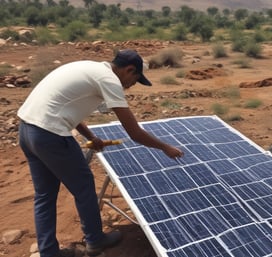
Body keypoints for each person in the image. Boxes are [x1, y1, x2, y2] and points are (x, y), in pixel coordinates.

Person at [17, 49, 184, 257]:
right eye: (135, 79)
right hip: (51, 136)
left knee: (45, 195)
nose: (132, 85)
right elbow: (134, 133)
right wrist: (165, 147)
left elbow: (65, 107)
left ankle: (48, 252)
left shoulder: (88, 67)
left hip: (26, 130)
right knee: (85, 187)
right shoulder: (110, 80)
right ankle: (95, 241)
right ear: (129, 69)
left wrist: (90, 137)